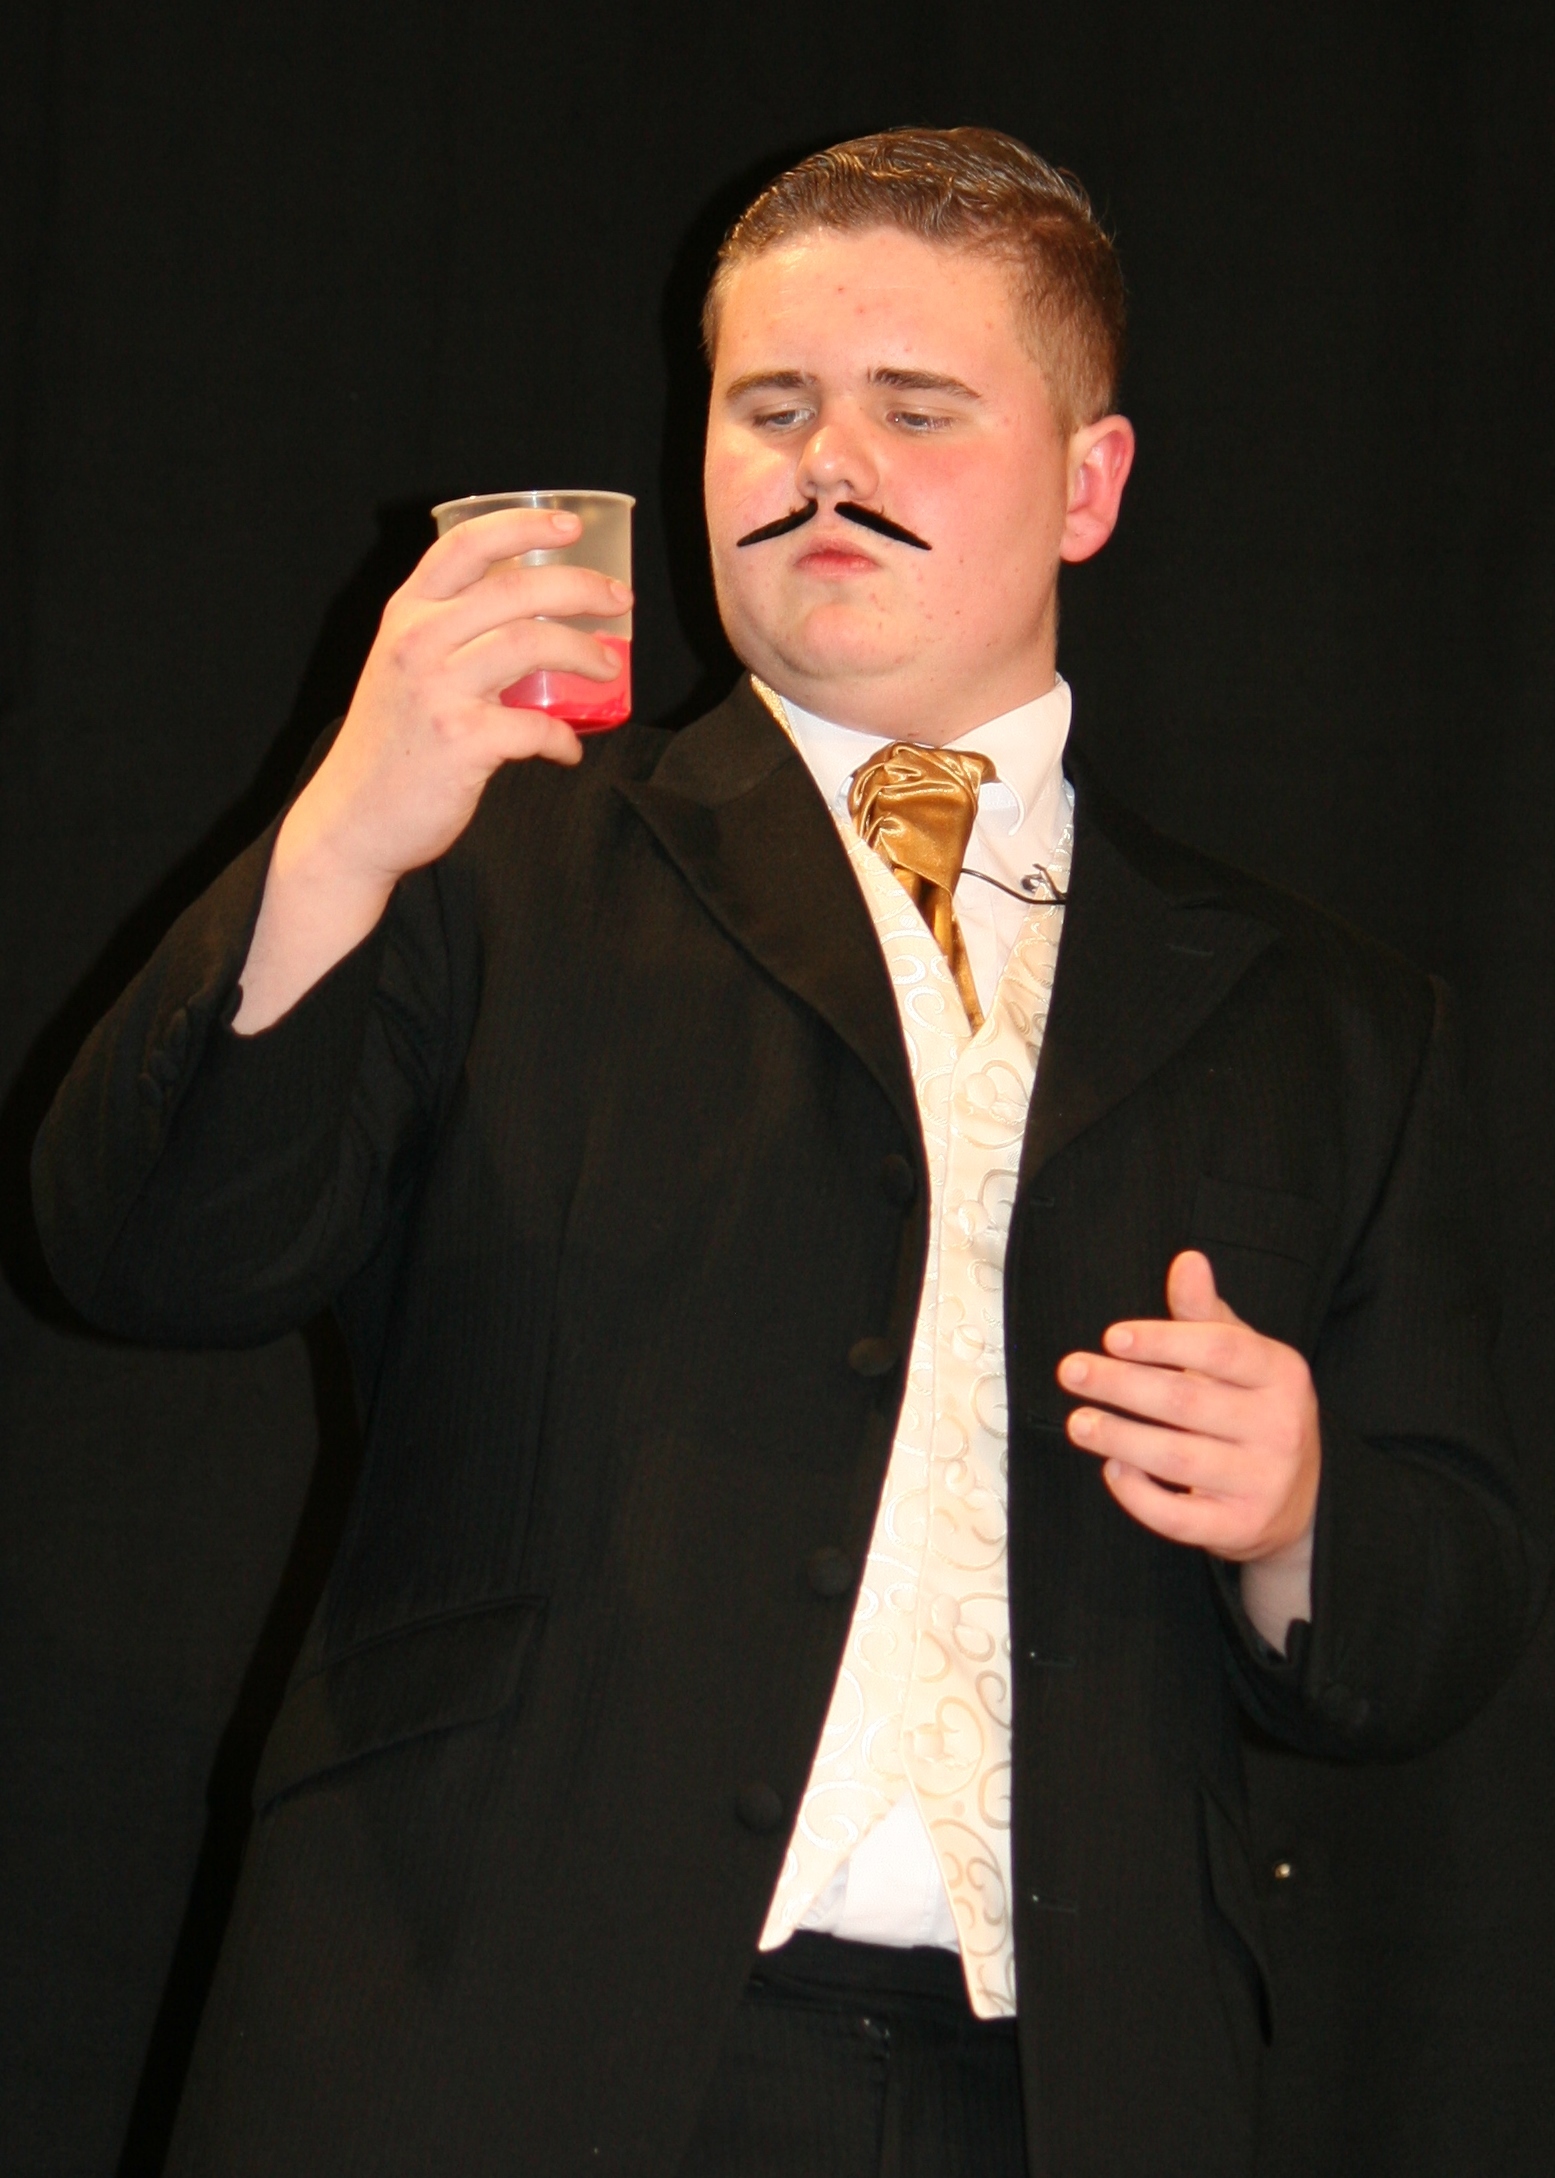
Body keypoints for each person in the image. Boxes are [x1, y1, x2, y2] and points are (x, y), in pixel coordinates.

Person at [32, 128, 1538, 2178]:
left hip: (1073, 2090)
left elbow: (1447, 1605)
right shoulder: (492, 851)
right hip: (487, 2039)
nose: (828, 462)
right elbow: (146, 1252)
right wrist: (339, 839)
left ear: (1088, 483)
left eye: (915, 409)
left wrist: (1298, 1509)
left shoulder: (1331, 1015)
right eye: (771, 406)